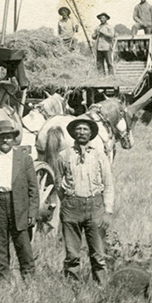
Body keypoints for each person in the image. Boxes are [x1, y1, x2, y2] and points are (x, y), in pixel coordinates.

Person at [0, 120, 39, 280]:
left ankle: (29, 277)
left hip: (18, 203)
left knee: (22, 242)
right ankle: (2, 277)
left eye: (8, 137)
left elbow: (33, 188)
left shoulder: (24, 159)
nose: (5, 140)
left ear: (14, 139)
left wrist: (32, 211)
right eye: (2, 137)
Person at [56, 118, 115, 286]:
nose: (82, 132)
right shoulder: (64, 155)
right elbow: (58, 183)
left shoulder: (99, 155)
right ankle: (72, 286)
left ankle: (101, 286)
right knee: (72, 253)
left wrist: (108, 212)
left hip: (95, 207)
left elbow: (109, 184)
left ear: (91, 133)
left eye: (85, 129)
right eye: (79, 129)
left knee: (98, 252)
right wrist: (69, 201)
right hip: (71, 208)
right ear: (74, 133)